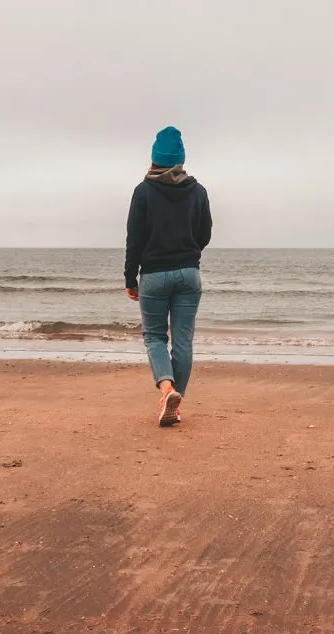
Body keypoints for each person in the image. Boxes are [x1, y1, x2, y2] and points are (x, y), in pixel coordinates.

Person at [124, 126, 212, 426]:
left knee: (154, 337)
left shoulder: (143, 191)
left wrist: (130, 279)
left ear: (154, 159)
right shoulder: (198, 192)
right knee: (183, 340)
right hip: (189, 273)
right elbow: (205, 234)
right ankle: (175, 403)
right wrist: (188, 253)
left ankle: (166, 390)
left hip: (154, 274)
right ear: (180, 160)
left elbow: (134, 239)